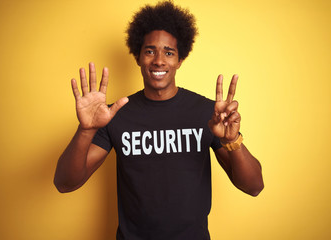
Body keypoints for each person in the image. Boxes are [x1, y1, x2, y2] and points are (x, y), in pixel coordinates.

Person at [54, 1, 264, 239]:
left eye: (169, 52)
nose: (159, 60)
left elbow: (253, 187)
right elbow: (65, 183)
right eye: (150, 51)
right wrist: (85, 130)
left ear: (180, 60)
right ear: (138, 57)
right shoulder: (113, 115)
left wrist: (233, 139)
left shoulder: (208, 114)